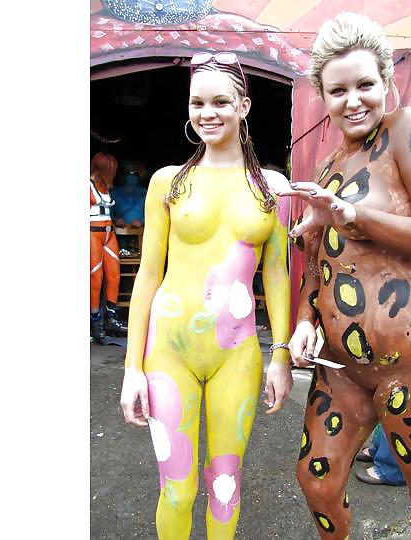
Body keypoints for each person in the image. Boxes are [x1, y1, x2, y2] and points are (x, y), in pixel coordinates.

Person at [278, 12, 411, 540]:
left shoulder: (409, 129)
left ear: (386, 82)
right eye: (338, 90)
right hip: (343, 370)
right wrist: (303, 319)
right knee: (316, 483)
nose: (354, 100)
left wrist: (354, 216)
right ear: (323, 95)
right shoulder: (329, 167)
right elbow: (318, 261)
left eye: (365, 84)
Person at [119, 51, 293, 540]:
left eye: (220, 101)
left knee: (225, 484)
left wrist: (280, 356)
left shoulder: (271, 188)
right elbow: (147, 278)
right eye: (198, 102)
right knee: (176, 489)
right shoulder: (168, 183)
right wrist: (132, 367)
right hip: (167, 352)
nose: (207, 112)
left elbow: (276, 275)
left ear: (244, 105)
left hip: (235, 355)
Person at [90, 151, 127, 342]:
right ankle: (94, 322)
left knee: (114, 275)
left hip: (108, 233)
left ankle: (111, 318)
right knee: (96, 278)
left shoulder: (105, 188)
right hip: (92, 234)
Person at [111, 163, 147, 228]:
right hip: (120, 234)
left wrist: (142, 221)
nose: (132, 175)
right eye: (129, 172)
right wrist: (116, 220)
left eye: (135, 172)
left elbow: (153, 213)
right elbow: (108, 214)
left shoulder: (145, 193)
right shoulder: (114, 193)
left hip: (142, 234)